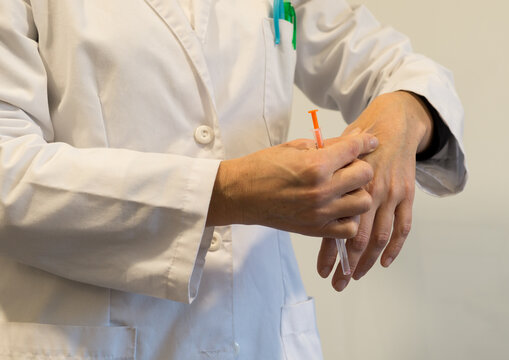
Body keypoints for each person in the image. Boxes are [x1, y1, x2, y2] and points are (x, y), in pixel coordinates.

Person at [0, 0, 466, 359]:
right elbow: (8, 173)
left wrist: (406, 109)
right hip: (86, 337)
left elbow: (389, 63)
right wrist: (225, 192)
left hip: (261, 331)